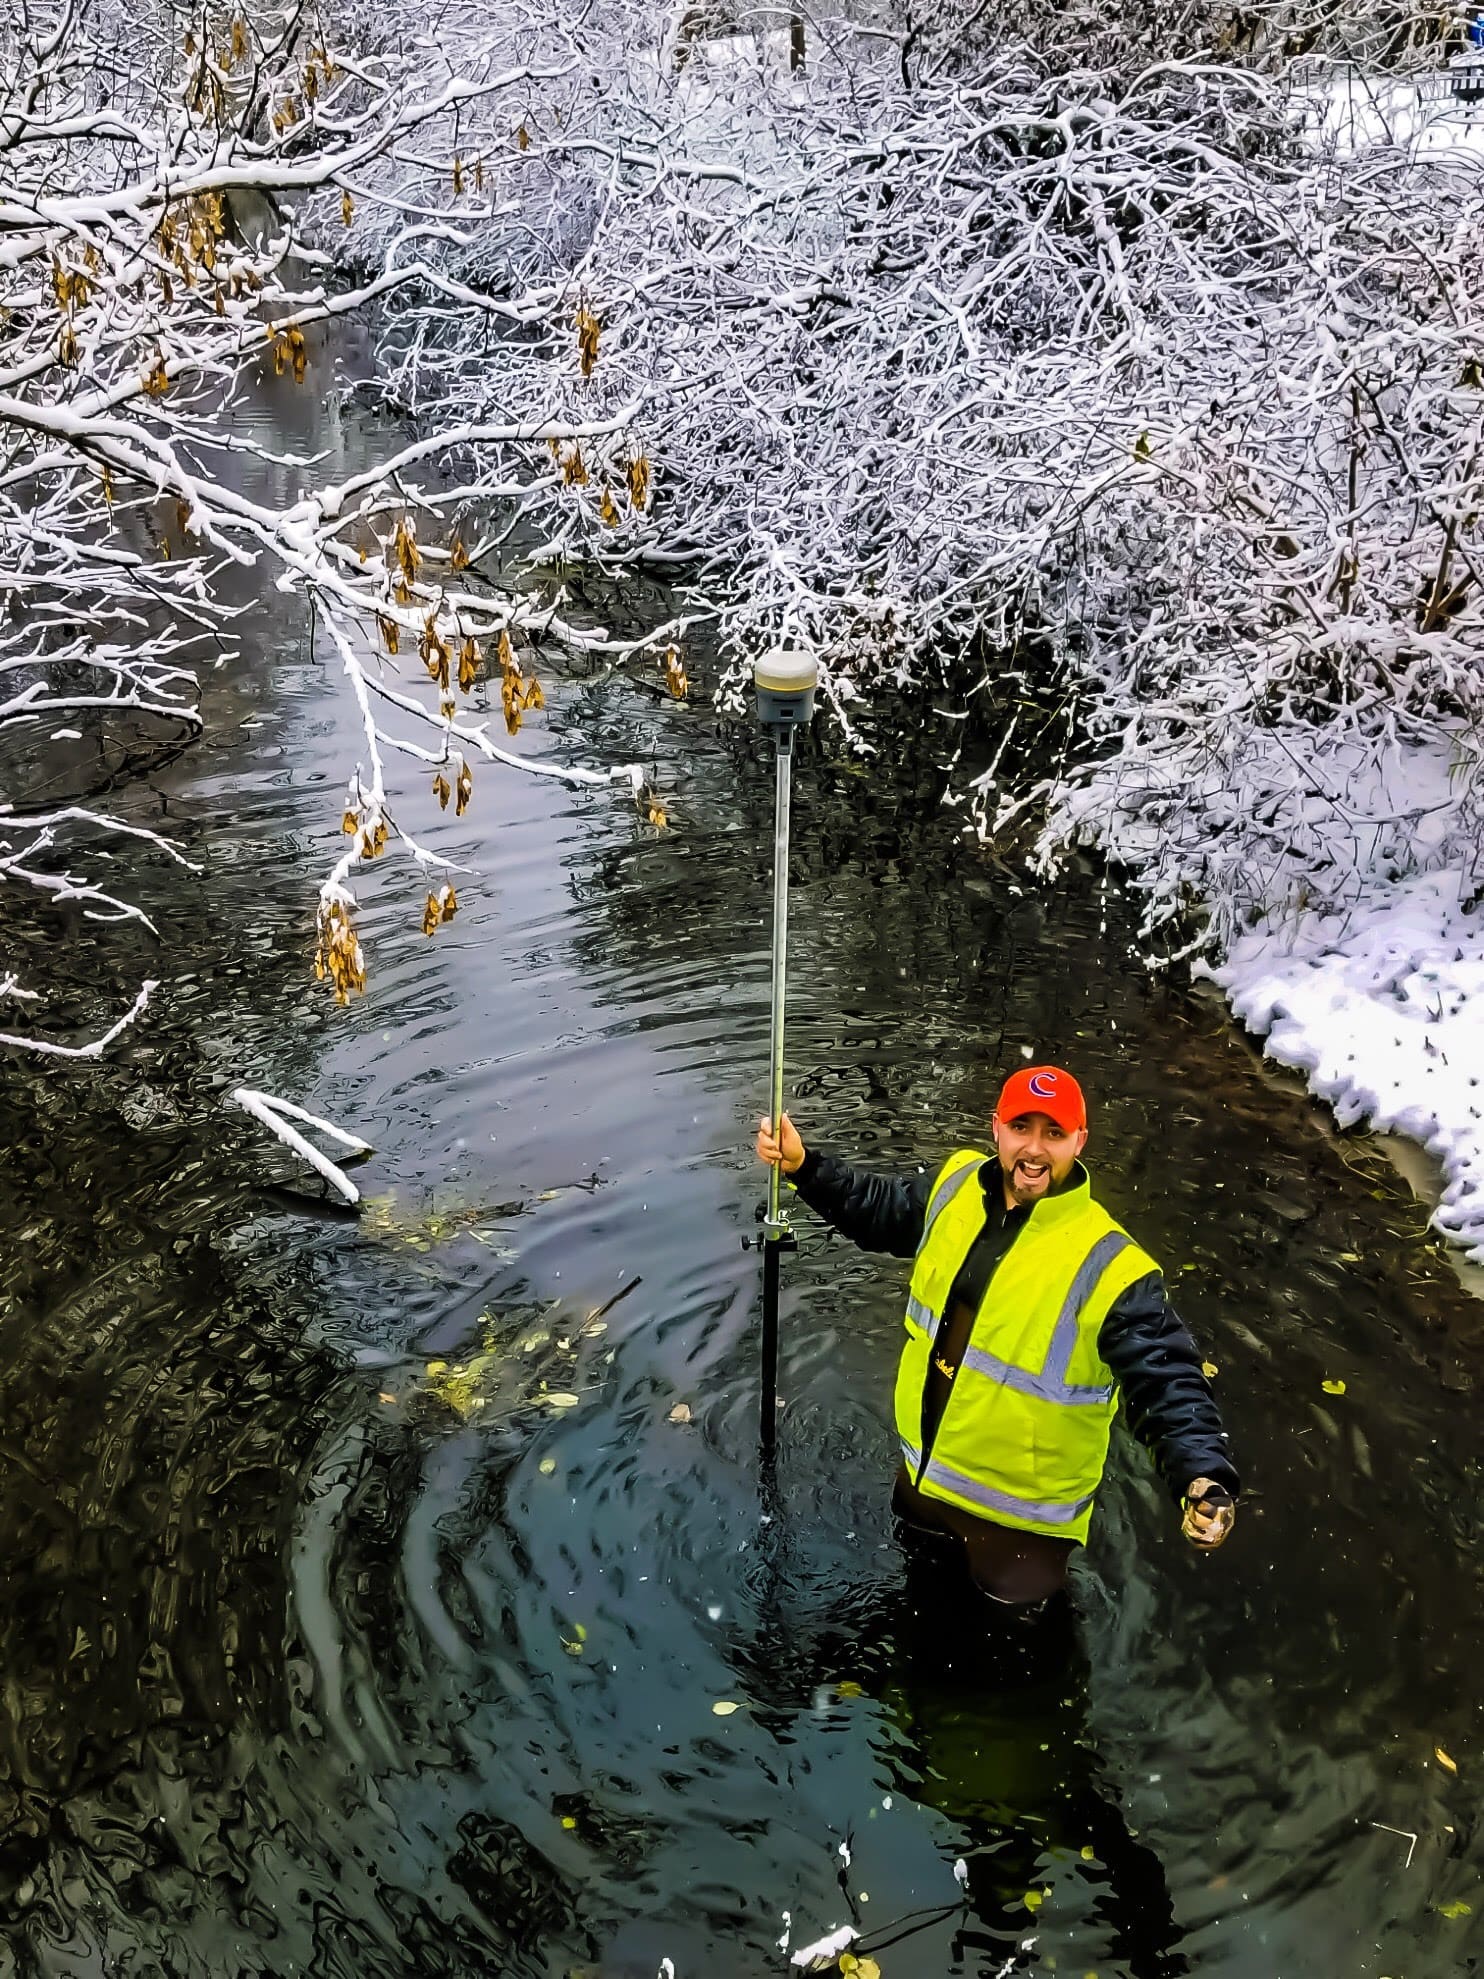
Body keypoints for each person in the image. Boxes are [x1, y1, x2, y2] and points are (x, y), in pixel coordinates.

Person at [755, 1063, 1238, 1610]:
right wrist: (804, 1167)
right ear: (997, 1129)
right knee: (913, 1630)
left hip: (1020, 1531)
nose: (1034, 1150)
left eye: (1053, 1134)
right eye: (1022, 1128)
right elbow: (882, 1211)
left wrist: (1201, 1475)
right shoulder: (958, 1186)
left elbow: (1166, 1377)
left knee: (1013, 1668)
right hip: (923, 1486)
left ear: (1080, 1141)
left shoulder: (1112, 1265)